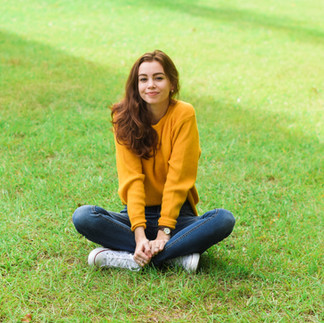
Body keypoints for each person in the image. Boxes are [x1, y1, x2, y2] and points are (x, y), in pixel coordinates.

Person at [72, 50, 235, 273]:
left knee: (223, 219)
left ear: (172, 83)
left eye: (158, 78)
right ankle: (173, 256)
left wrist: (164, 232)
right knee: (84, 217)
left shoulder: (184, 114)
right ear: (135, 85)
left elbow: (179, 178)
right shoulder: (124, 117)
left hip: (178, 216)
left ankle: (129, 257)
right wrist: (139, 233)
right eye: (143, 79)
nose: (151, 85)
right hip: (136, 215)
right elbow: (132, 179)